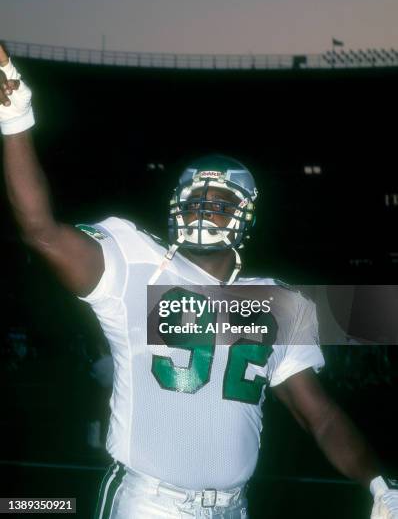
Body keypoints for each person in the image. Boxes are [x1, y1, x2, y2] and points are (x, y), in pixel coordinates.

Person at [1, 45, 397, 519]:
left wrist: (379, 483)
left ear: (245, 217)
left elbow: (320, 415)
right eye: (194, 200)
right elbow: (41, 232)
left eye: (219, 201)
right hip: (150, 504)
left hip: (233, 508)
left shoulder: (276, 301)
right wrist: (16, 119)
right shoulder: (136, 263)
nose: (202, 209)